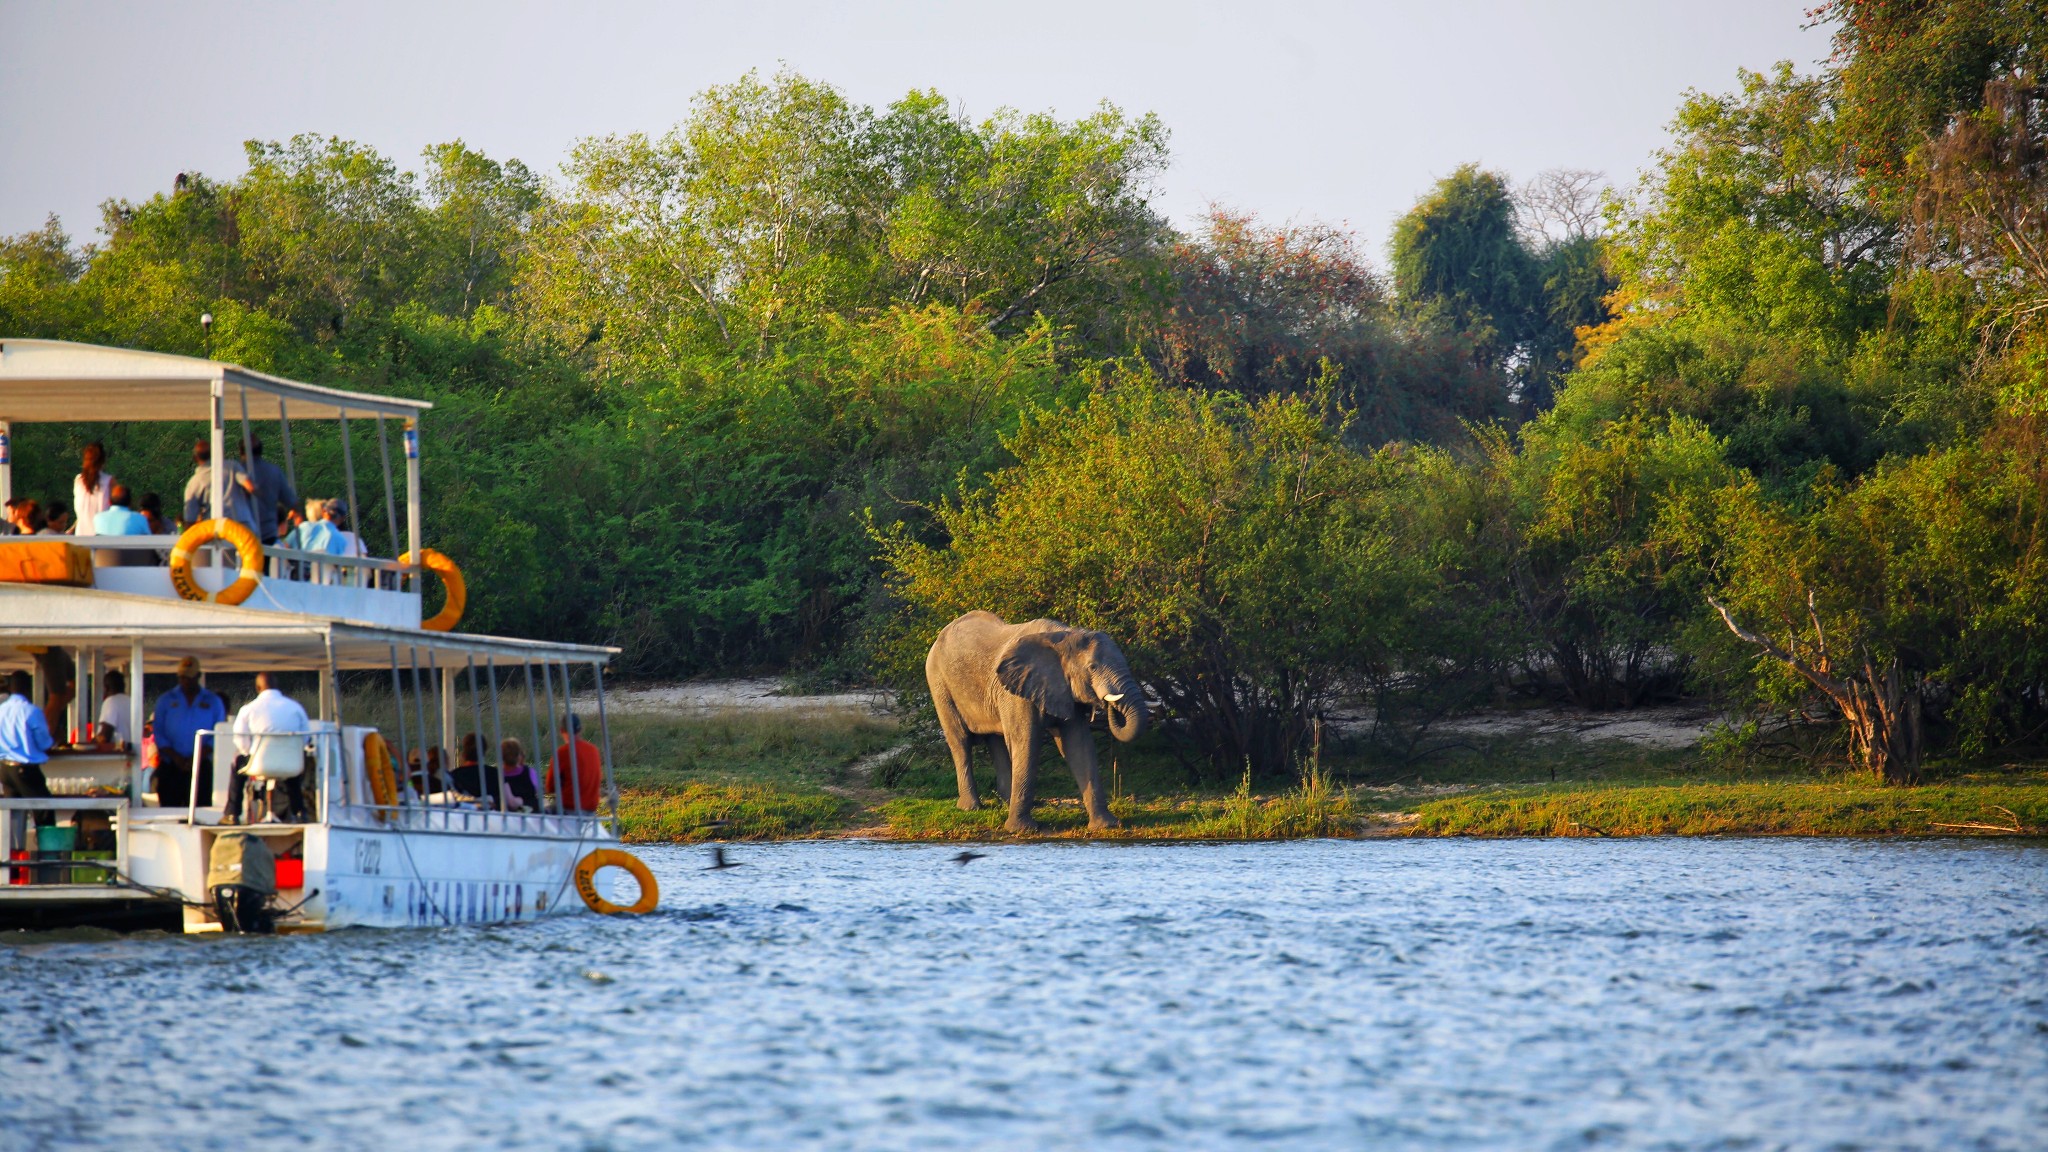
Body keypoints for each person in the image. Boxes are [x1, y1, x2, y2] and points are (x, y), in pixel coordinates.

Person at [224, 672, 310, 824]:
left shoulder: (248, 709)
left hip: (259, 764)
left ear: (258, 688)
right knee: (293, 771)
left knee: (238, 761)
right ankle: (299, 812)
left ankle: (232, 814)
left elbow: (239, 738)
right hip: (290, 764)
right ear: (277, 686)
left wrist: (250, 753)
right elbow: (305, 737)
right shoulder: (295, 708)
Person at [151, 656, 226, 807]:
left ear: (198, 676)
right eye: (182, 678)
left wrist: (196, 758)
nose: (185, 682)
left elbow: (218, 734)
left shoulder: (213, 701)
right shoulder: (165, 700)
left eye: (189, 678)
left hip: (201, 765)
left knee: (201, 811)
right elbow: (158, 732)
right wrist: (176, 758)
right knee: (169, 812)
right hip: (171, 765)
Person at [0, 670, 55, 829]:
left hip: (3, 768)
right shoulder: (31, 711)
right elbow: (44, 743)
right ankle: (48, 852)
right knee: (44, 809)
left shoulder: (1, 710)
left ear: (10, 688)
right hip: (24, 769)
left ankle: (13, 851)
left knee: (13, 815)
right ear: (28, 688)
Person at [180, 439, 258, 532]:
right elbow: (250, 487)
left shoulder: (194, 483)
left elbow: (190, 520)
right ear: (215, 453)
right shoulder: (232, 466)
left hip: (216, 532)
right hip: (243, 528)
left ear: (195, 458)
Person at [240, 436, 300, 546]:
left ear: (241, 452)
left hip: (239, 535)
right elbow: (291, 500)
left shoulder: (233, 472)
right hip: (267, 534)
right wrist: (297, 513)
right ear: (260, 451)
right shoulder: (273, 472)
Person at [548, 714, 604, 814]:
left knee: (540, 814)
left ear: (561, 730)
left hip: (569, 809)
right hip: (591, 809)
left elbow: (550, 787)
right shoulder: (593, 750)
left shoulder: (562, 752)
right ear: (580, 729)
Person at [70, 441, 116, 536]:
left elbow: (82, 514)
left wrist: (71, 530)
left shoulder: (78, 481)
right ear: (103, 461)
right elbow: (116, 510)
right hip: (102, 537)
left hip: (81, 536)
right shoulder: (109, 481)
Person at [498, 738, 541, 814]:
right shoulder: (530, 772)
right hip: (532, 813)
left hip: (507, 815)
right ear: (519, 754)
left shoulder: (498, 775)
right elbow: (539, 791)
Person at [94, 670, 133, 749]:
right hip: (132, 753)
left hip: (116, 756)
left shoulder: (111, 701)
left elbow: (104, 736)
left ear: (106, 688)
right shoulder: (131, 701)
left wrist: (89, 745)